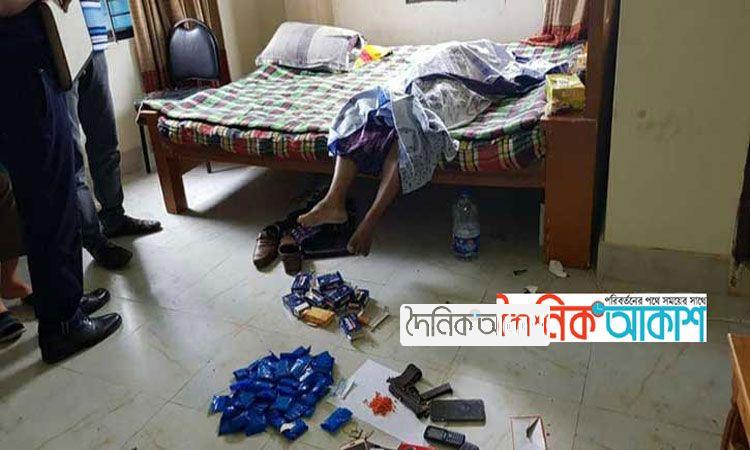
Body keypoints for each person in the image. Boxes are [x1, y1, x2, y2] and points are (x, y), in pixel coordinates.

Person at [0, 0, 121, 362]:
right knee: (48, 198)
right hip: (19, 67)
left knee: (56, 192)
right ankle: (63, 325)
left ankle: (65, 301)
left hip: (29, 61)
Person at [68, 0, 162, 270]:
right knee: (71, 158)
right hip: (57, 50)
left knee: (106, 143)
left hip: (95, 43)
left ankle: (114, 217)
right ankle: (94, 240)